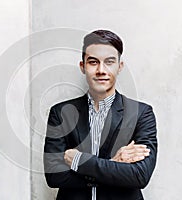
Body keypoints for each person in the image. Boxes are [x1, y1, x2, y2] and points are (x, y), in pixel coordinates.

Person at [43, 29, 157, 200]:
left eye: (109, 62)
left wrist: (79, 161)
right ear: (83, 66)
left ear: (120, 66)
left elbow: (140, 175)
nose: (101, 70)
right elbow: (54, 175)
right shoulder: (60, 113)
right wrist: (112, 166)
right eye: (93, 62)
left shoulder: (141, 113)